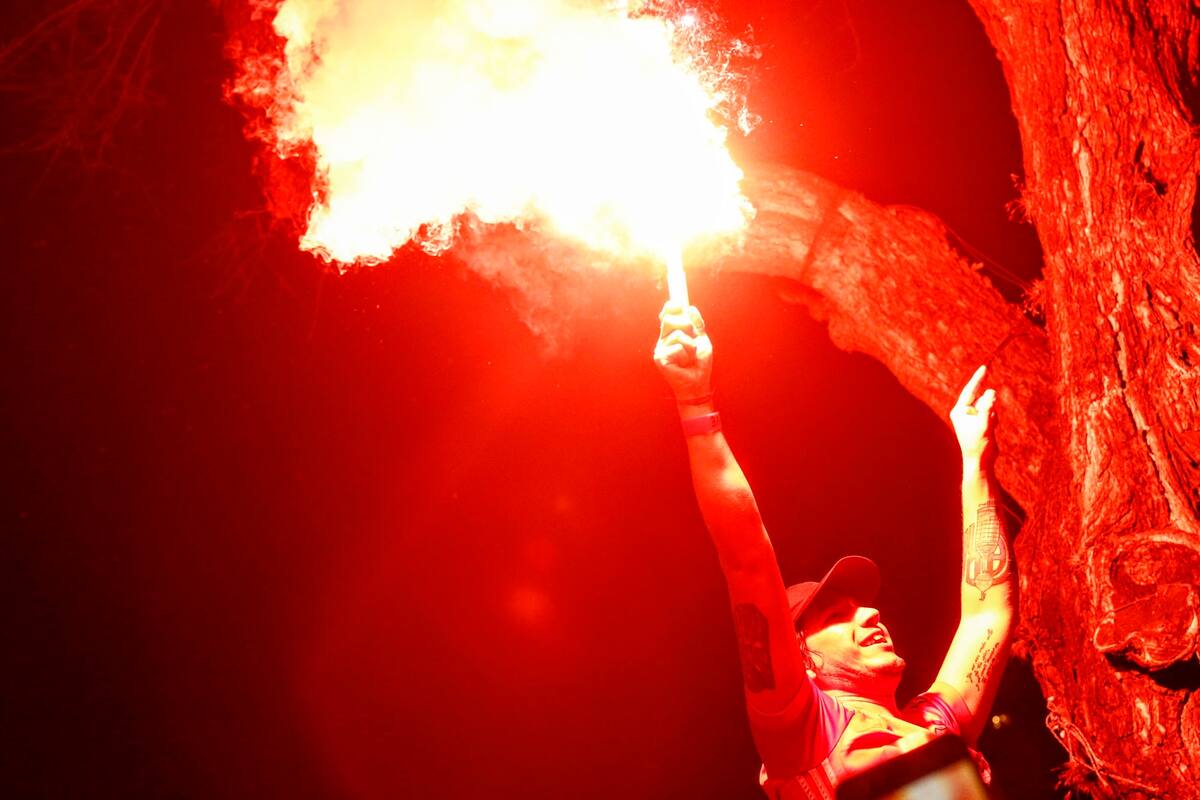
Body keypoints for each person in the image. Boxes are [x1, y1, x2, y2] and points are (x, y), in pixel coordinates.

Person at [653, 302, 1015, 797]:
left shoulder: (935, 722)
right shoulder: (805, 730)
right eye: (836, 616)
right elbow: (747, 558)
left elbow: (986, 617)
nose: (868, 613)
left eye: (858, 605)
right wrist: (695, 404)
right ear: (801, 660)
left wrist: (975, 462)